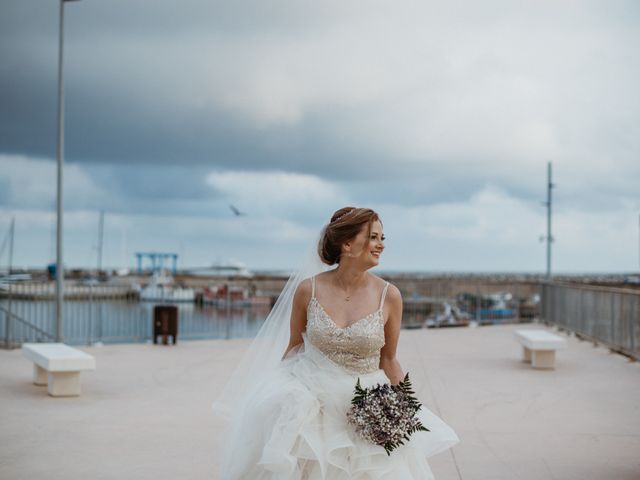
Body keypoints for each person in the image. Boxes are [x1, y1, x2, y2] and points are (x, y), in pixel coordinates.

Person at [213, 207, 460, 479]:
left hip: (366, 406)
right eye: (374, 237)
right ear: (347, 244)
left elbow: (388, 358)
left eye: (382, 238)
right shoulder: (309, 289)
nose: (381, 245)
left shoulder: (389, 296)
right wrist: (278, 394)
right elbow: (295, 347)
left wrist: (403, 409)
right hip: (312, 404)